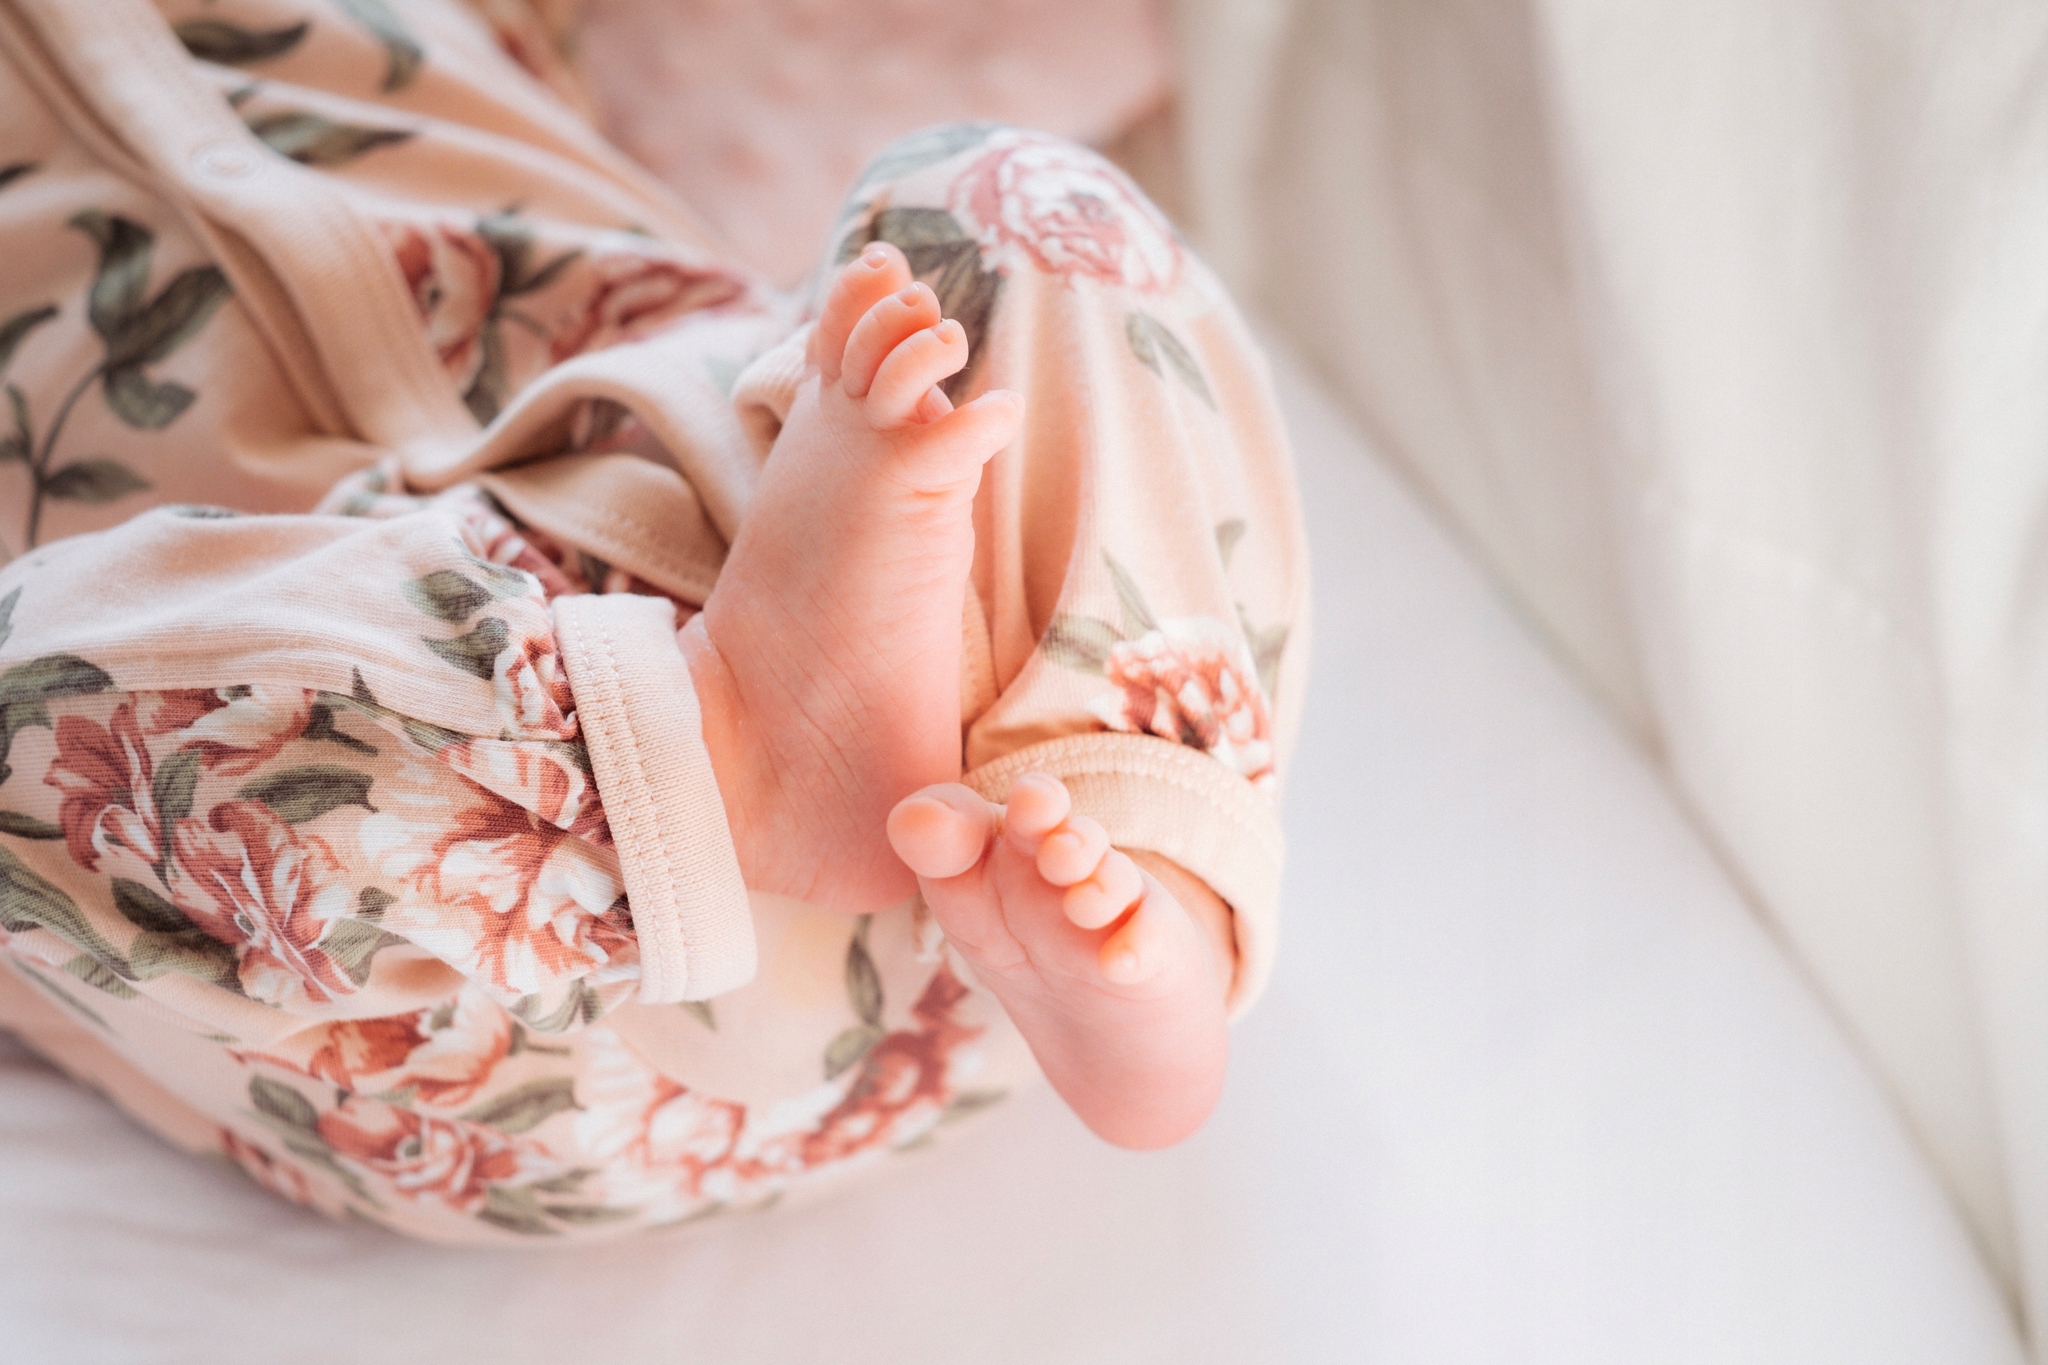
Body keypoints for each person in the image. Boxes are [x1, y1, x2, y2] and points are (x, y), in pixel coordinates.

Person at [0, 0, 1306, 1241]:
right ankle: (727, 748)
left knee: (1003, 197)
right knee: (65, 701)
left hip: (870, 648)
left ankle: (1159, 901)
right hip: (485, 971)